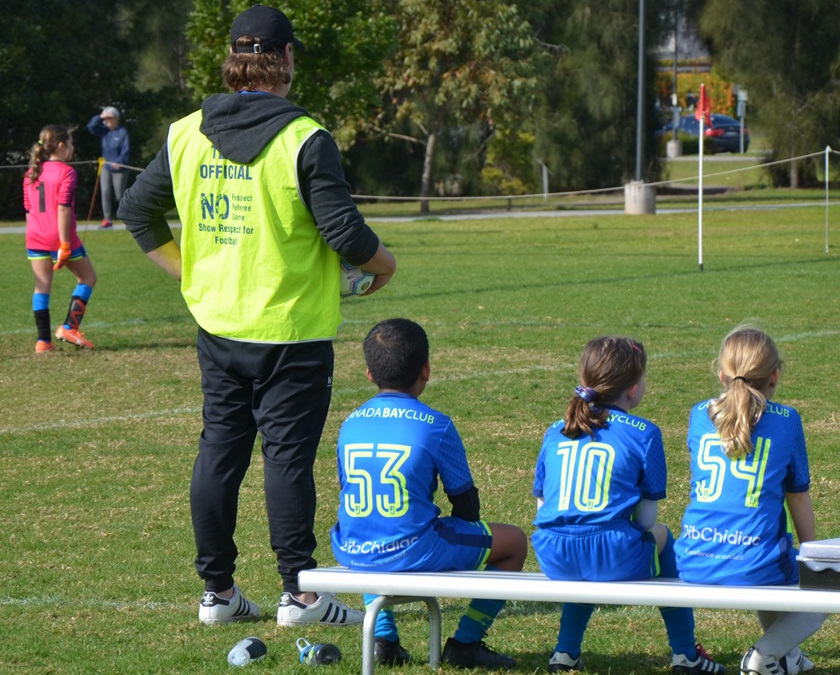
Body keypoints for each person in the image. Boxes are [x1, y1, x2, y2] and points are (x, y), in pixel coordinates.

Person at [117, 4, 397, 627]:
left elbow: (139, 211)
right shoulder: (304, 137)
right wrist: (386, 266)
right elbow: (346, 234)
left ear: (234, 61)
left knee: (220, 451)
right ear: (287, 59)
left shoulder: (186, 130)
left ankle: (216, 593)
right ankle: (300, 595)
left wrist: (190, 272)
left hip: (218, 325)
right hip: (291, 331)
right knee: (288, 460)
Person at [332, 319, 528, 669]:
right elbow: (466, 503)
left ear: (368, 373)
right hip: (414, 548)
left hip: (351, 548)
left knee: (375, 525)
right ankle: (466, 642)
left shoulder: (350, 423)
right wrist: (459, 529)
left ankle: (384, 640)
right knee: (513, 542)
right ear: (426, 369)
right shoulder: (435, 424)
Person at [532, 336, 725, 675]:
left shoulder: (556, 430)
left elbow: (541, 504)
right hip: (611, 552)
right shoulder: (645, 433)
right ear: (634, 389)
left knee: (585, 548)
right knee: (665, 541)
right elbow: (648, 518)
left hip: (551, 553)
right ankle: (685, 654)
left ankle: (564, 652)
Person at [676, 327, 824, 675]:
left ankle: (788, 655)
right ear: (775, 375)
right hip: (753, 564)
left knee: (771, 559)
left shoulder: (699, 414)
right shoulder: (787, 420)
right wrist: (815, 555)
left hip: (695, 558)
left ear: (721, 375)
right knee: (828, 589)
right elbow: (797, 495)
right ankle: (762, 655)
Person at [23, 125, 99, 352]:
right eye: (72, 143)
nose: (73, 148)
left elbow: (28, 210)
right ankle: (69, 327)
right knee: (88, 278)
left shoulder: (31, 173)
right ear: (61, 145)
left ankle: (43, 342)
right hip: (59, 236)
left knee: (42, 285)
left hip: (34, 237)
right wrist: (64, 244)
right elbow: (63, 209)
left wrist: (35, 237)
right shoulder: (67, 172)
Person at [86, 106, 130, 229]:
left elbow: (126, 150)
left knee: (119, 195)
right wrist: (101, 117)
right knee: (105, 192)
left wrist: (119, 162)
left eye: (111, 118)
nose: (108, 121)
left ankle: (128, 218)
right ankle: (107, 219)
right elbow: (91, 127)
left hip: (119, 168)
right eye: (107, 119)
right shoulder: (104, 131)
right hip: (106, 166)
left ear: (116, 119)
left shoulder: (122, 132)